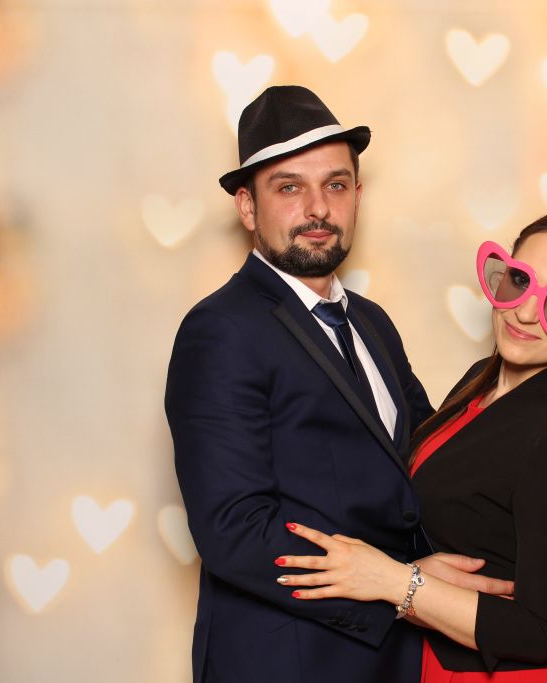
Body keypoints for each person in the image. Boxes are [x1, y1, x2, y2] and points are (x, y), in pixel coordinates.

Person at [164, 85, 512, 683]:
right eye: (289, 188)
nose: (318, 209)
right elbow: (235, 530)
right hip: (286, 664)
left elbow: (425, 464)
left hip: (397, 658)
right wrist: (403, 592)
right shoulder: (220, 330)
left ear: (357, 195)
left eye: (336, 185)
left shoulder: (372, 323)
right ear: (247, 207)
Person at [276, 207, 547, 681]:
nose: (525, 312)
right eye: (519, 281)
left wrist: (392, 580)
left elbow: (542, 631)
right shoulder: (481, 382)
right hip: (441, 660)